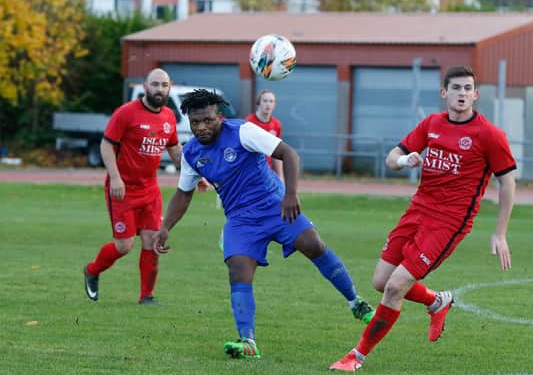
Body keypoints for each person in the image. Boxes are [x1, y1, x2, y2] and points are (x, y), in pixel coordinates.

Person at [151, 89, 374, 359]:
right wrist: (165, 227)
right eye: (195, 122)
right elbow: (183, 194)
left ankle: (356, 302)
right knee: (238, 270)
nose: (201, 127)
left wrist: (290, 194)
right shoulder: (191, 154)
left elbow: (289, 154)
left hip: (275, 206)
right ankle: (248, 341)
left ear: (219, 117)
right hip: (241, 220)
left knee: (313, 244)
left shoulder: (243, 132)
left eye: (207, 120)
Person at [330, 65, 517, 371]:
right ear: (444, 93)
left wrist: (500, 233)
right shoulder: (432, 124)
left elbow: (508, 182)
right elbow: (392, 158)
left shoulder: (488, 135)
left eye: (468, 88)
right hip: (417, 210)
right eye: (456, 88)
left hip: (449, 222)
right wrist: (406, 160)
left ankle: (356, 356)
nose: (462, 94)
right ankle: (436, 301)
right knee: (380, 281)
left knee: (395, 287)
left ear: (476, 95)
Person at [82, 68, 182, 305]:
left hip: (150, 190)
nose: (159, 89)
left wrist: (193, 174)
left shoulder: (168, 116)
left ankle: (146, 296)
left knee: (152, 241)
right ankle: (92, 270)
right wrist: (115, 178)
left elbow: (175, 149)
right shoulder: (126, 113)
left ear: (170, 87)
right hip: (123, 190)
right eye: (155, 84)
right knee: (124, 245)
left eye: (164, 85)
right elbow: (106, 146)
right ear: (145, 86)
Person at [245, 89, 284, 181]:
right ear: (259, 103)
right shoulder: (249, 123)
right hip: (249, 171)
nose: (268, 104)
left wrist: (280, 176)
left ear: (274, 105)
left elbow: (276, 152)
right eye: (265, 101)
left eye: (271, 101)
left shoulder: (276, 125)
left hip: (267, 172)